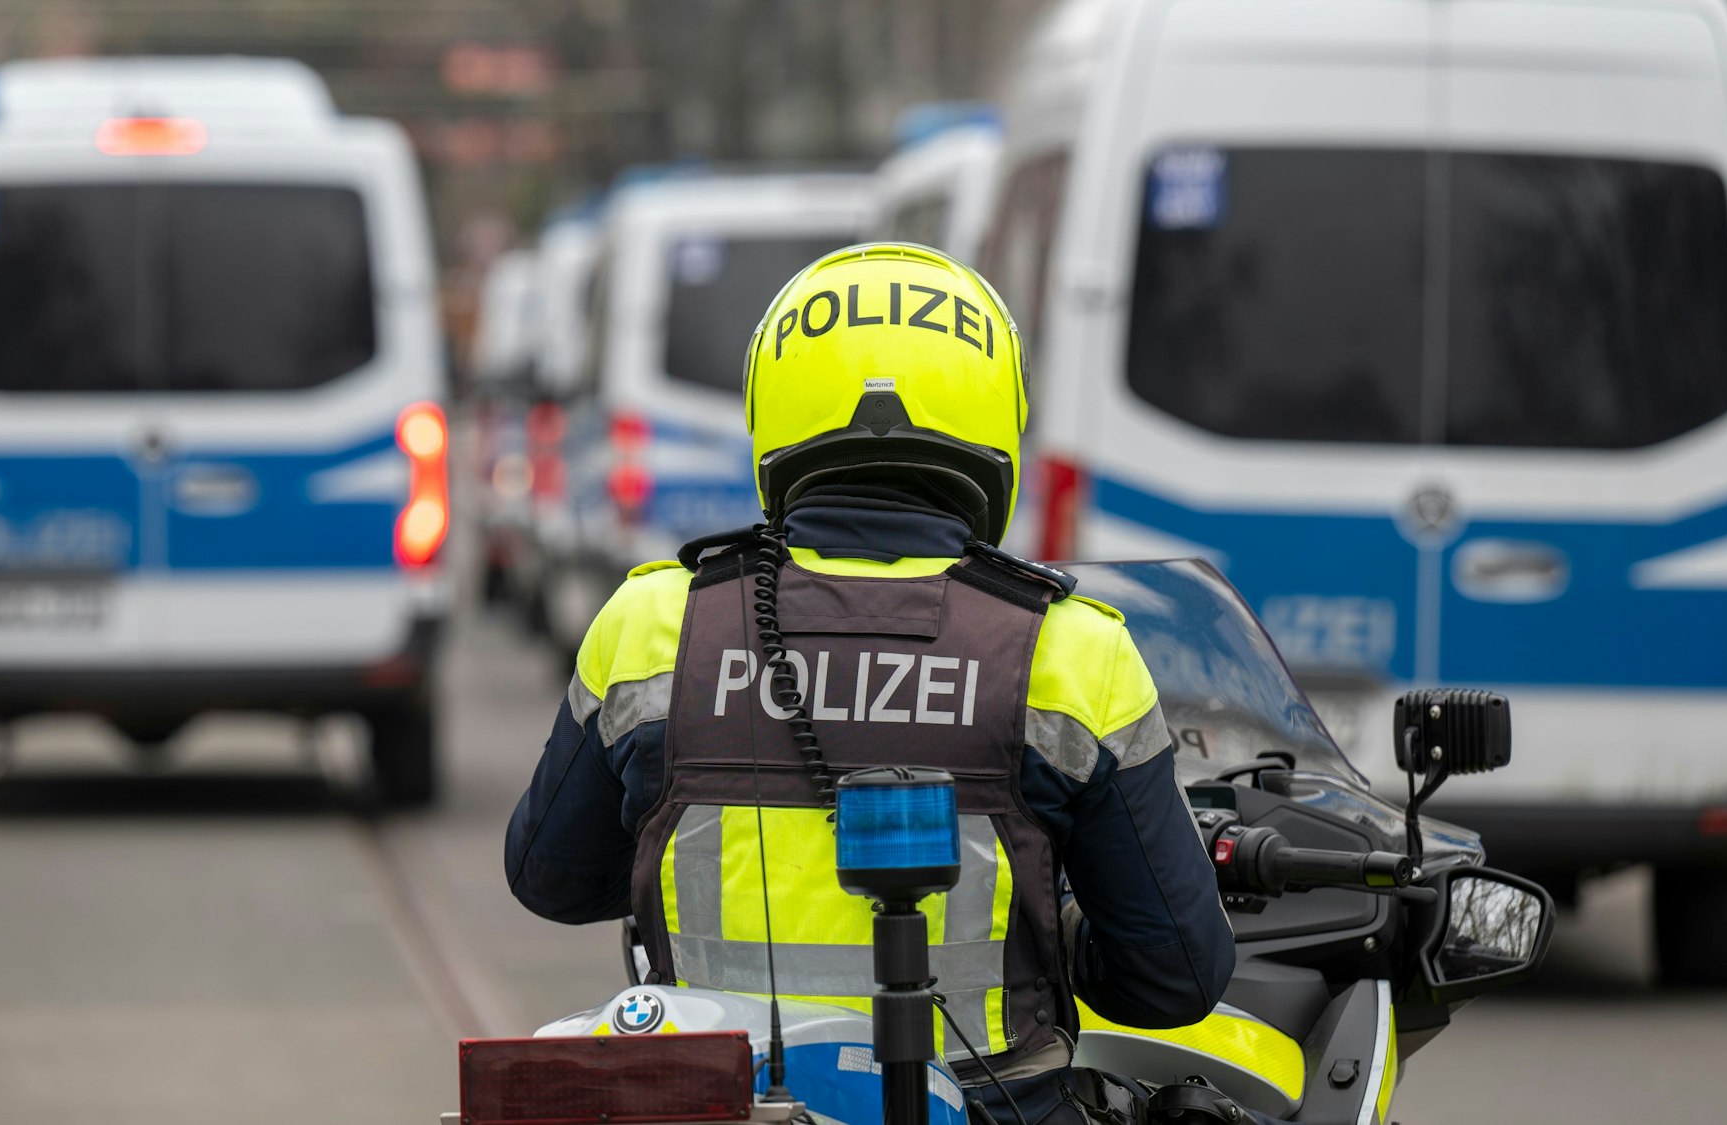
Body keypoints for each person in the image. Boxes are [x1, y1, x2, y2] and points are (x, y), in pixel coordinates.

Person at [506, 243, 1234, 1124]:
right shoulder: (1072, 652)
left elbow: (551, 879)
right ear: (995, 416)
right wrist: (1060, 922)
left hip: (722, 1107)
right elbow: (1175, 976)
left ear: (774, 413)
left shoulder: (654, 626)